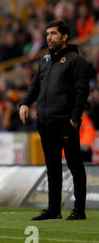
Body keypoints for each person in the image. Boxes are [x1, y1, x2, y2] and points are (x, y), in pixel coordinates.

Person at [19, 20, 92, 221]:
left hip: (65, 121)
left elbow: (81, 91)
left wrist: (75, 118)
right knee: (52, 166)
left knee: (74, 164)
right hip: (46, 121)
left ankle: (79, 210)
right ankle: (54, 210)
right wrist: (24, 103)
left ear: (64, 37)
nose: (48, 37)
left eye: (53, 33)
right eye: (47, 34)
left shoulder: (76, 60)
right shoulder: (45, 60)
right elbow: (34, 85)